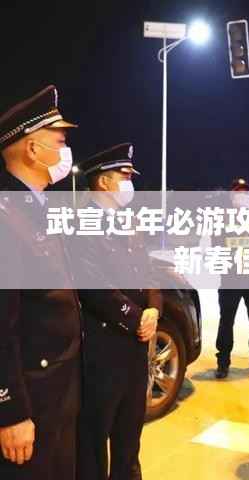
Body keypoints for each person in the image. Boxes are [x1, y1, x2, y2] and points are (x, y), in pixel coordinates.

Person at [0, 85, 81, 479]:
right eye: (60, 141)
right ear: (32, 149)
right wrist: (11, 411)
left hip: (58, 391)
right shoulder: (7, 217)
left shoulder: (37, 206)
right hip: (31, 398)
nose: (66, 150)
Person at [75, 143, 162, 480]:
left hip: (136, 350)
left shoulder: (130, 221)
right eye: (124, 176)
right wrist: (136, 317)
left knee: (129, 437)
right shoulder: (83, 224)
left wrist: (154, 309)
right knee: (94, 439)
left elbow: (148, 272)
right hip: (103, 350)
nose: (130, 183)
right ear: (103, 181)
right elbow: (93, 286)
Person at [214, 178, 249, 379]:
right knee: (226, 321)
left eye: (246, 192)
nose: (242, 195)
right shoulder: (222, 218)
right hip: (231, 280)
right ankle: (223, 363)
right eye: (238, 192)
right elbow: (217, 247)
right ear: (232, 195)